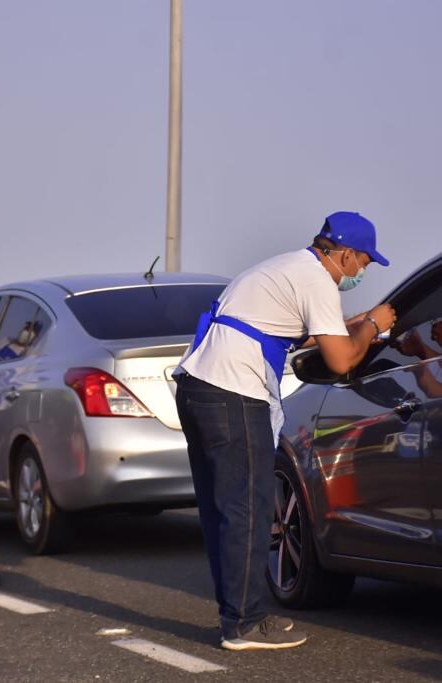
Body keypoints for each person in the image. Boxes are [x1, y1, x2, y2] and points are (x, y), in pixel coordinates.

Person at [174, 211, 396, 650]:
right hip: (235, 391)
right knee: (249, 509)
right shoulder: (318, 280)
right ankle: (244, 623)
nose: (362, 272)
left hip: (198, 387)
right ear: (346, 255)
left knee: (222, 509)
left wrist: (356, 324)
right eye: (365, 263)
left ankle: (234, 613)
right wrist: (374, 325)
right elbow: (341, 361)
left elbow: (296, 332)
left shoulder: (286, 267)